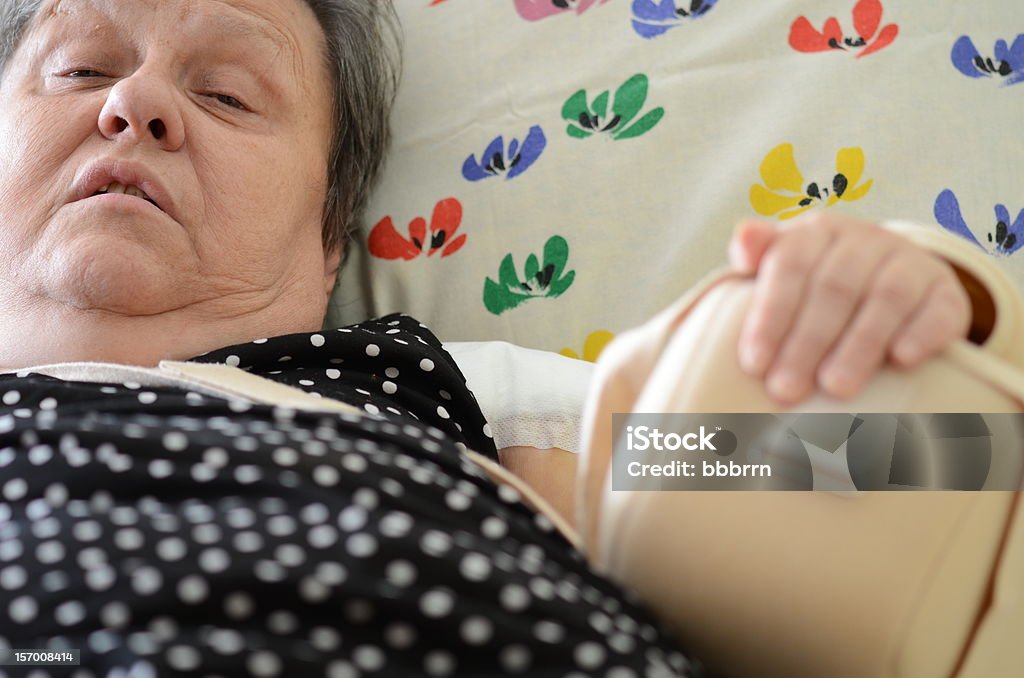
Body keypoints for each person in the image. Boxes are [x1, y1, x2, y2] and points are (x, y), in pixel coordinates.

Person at [0, 0, 979, 675]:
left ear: (330, 233)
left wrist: (903, 320)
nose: (139, 106)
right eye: (83, 68)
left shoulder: (462, 400)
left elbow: (922, 462)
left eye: (228, 95)